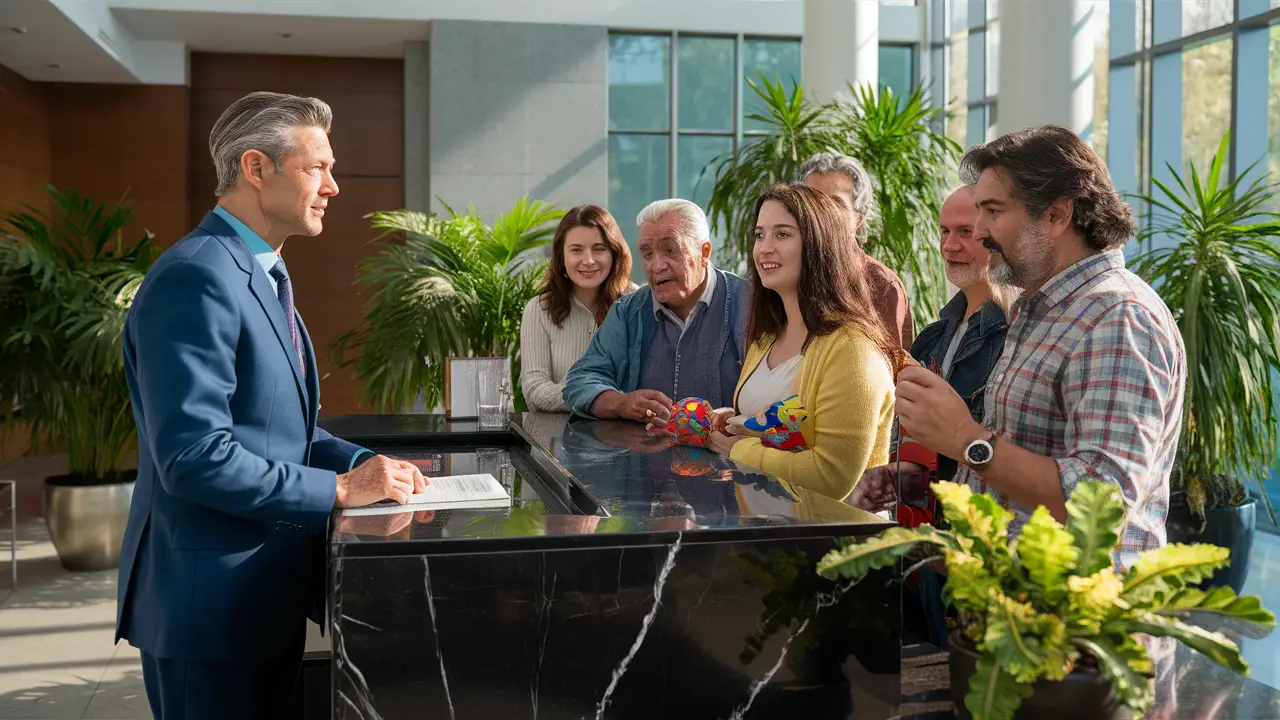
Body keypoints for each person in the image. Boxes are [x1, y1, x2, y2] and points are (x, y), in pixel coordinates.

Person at [115, 91, 429, 719]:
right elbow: (194, 457)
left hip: (258, 601)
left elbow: (280, 430)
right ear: (256, 168)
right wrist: (339, 490)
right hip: (210, 611)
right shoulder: (196, 276)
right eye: (318, 168)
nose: (333, 187)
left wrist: (369, 465)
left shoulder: (259, 272)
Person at [896, 125, 1186, 572]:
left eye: (993, 211)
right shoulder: (1042, 309)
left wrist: (965, 439)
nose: (981, 230)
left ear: (1056, 215)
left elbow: (1101, 502)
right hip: (1010, 601)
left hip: (1074, 611)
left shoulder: (1117, 317)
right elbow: (1017, 465)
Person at [700, 183, 907, 501]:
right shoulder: (767, 337)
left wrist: (739, 449)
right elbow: (786, 426)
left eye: (782, 234)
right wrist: (739, 423)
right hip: (762, 526)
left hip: (830, 531)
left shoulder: (853, 350)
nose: (764, 248)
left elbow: (830, 476)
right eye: (760, 235)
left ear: (819, 247)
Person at [850, 184, 1014, 514]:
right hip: (930, 530)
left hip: (983, 529)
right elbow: (924, 446)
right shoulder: (932, 337)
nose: (949, 245)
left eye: (965, 232)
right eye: (944, 231)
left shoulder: (1016, 336)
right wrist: (896, 477)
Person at [562, 199, 748, 423]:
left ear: (704, 251)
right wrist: (622, 403)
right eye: (647, 254)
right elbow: (581, 380)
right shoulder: (628, 312)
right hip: (645, 444)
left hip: (728, 445)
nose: (657, 266)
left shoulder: (748, 303)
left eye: (670, 250)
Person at [520, 205, 636, 412]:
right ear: (561, 256)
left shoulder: (636, 303)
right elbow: (534, 390)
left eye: (599, 248)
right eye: (576, 250)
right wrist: (599, 400)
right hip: (558, 431)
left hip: (626, 429)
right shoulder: (538, 310)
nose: (589, 260)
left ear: (614, 252)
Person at [799, 152, 914, 347]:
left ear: (858, 220)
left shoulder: (880, 285)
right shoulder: (786, 271)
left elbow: (889, 362)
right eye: (813, 203)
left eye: (836, 204)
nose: (822, 213)